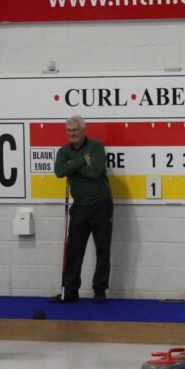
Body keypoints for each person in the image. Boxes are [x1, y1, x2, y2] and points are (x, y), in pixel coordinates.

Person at [51, 114, 113, 303]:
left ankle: (100, 290)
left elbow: (94, 172)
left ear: (84, 130)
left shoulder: (96, 147)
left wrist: (72, 165)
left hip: (101, 205)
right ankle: (70, 290)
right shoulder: (63, 151)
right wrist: (81, 161)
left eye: (76, 130)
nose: (72, 133)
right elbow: (59, 171)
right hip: (79, 206)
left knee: (103, 249)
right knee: (74, 250)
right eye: (69, 130)